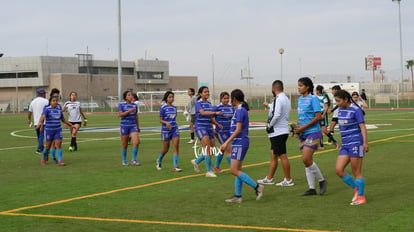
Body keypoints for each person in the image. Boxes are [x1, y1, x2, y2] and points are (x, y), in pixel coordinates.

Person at [221, 89, 264, 203]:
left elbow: (238, 129)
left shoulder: (240, 111)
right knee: (237, 170)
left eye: (231, 98)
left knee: (234, 170)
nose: (230, 100)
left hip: (240, 142)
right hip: (238, 142)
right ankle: (238, 196)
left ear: (234, 98)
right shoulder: (239, 110)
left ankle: (257, 187)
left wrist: (226, 142)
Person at [334, 90, 368, 205]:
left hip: (356, 143)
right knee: (338, 170)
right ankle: (356, 189)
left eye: (338, 101)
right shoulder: (340, 110)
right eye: (335, 101)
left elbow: (362, 127)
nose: (337, 103)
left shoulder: (356, 110)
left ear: (346, 99)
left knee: (356, 171)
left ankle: (361, 197)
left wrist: (365, 143)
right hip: (345, 144)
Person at [257, 80, 294, 186]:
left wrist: (270, 125)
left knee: (282, 155)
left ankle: (288, 180)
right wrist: (268, 105)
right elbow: (277, 109)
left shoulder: (278, 99)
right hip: (280, 131)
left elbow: (277, 114)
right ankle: (269, 178)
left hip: (278, 131)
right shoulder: (285, 98)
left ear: (274, 89)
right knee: (273, 154)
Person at [295, 77, 328, 196]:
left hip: (313, 132)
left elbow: (318, 117)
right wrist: (297, 127)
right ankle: (311, 188)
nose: (298, 88)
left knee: (305, 159)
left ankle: (322, 181)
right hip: (303, 133)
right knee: (307, 160)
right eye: (298, 85)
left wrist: (303, 128)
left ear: (307, 87)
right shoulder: (299, 99)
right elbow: (302, 116)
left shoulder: (313, 98)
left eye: (301, 86)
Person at [190, 86, 222, 177]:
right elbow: (203, 113)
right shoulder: (198, 103)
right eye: (205, 92)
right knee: (207, 148)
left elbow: (210, 117)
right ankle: (208, 171)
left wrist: (216, 124)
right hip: (200, 127)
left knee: (211, 150)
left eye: (208, 92)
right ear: (200, 94)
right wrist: (215, 113)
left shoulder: (209, 103)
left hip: (209, 127)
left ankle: (196, 161)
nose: (207, 93)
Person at [37, 96, 73, 166]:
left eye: (56, 101)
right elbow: (43, 117)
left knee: (58, 145)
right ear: (50, 102)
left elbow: (63, 119)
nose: (55, 102)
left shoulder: (59, 110)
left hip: (58, 130)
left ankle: (60, 161)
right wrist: (40, 124)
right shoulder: (47, 109)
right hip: (49, 131)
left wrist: (71, 125)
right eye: (53, 101)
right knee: (47, 147)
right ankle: (43, 158)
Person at [156, 91, 183, 172]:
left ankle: (175, 166)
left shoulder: (174, 108)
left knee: (176, 146)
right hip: (165, 130)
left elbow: (174, 118)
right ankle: (159, 160)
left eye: (172, 97)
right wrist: (166, 123)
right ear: (166, 98)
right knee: (166, 148)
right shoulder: (163, 108)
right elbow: (160, 120)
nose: (172, 98)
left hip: (174, 129)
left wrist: (171, 124)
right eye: (170, 97)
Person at [212, 91, 234, 173]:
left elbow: (234, 118)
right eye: (224, 98)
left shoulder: (231, 108)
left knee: (222, 149)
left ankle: (216, 167)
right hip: (221, 132)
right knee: (229, 150)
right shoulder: (217, 107)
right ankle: (233, 168)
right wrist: (213, 128)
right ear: (221, 99)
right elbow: (210, 118)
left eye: (228, 98)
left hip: (229, 131)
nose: (226, 100)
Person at [118, 90, 140, 166]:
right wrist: (129, 111)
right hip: (124, 126)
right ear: (125, 97)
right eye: (129, 95)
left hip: (133, 126)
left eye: (131, 95)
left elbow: (136, 116)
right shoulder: (121, 105)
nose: (131, 96)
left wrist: (138, 126)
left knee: (136, 142)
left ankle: (133, 160)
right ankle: (124, 160)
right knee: (125, 144)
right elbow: (120, 115)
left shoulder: (135, 105)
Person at [28, 88, 49, 154]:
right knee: (42, 136)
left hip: (36, 122)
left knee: (39, 136)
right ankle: (39, 149)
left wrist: (29, 119)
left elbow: (29, 111)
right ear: (42, 94)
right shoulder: (46, 101)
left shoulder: (33, 101)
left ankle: (42, 148)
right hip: (44, 122)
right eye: (45, 93)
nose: (45, 94)